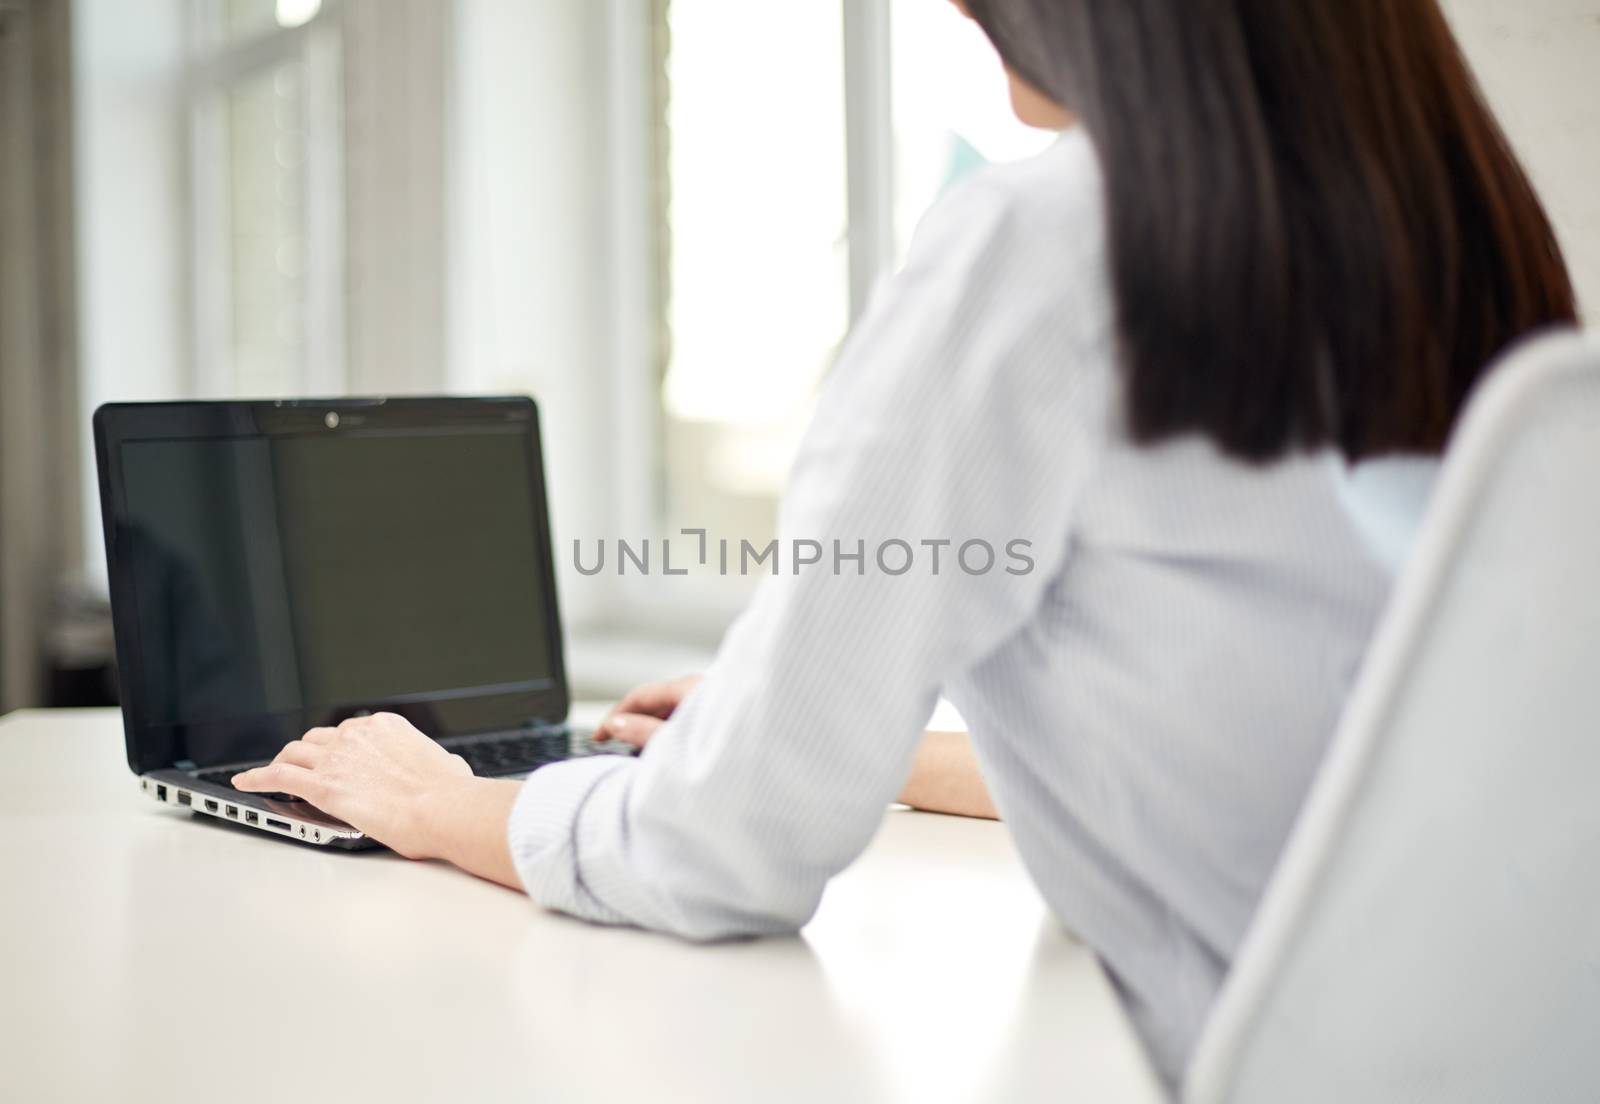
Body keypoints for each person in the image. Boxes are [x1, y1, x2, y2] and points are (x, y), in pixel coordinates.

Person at [233, 0, 1577, 1088]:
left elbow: (727, 853)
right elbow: (1315, 745)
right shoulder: (1452, 238)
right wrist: (831, 722)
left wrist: (437, 801)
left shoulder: (1053, 234)